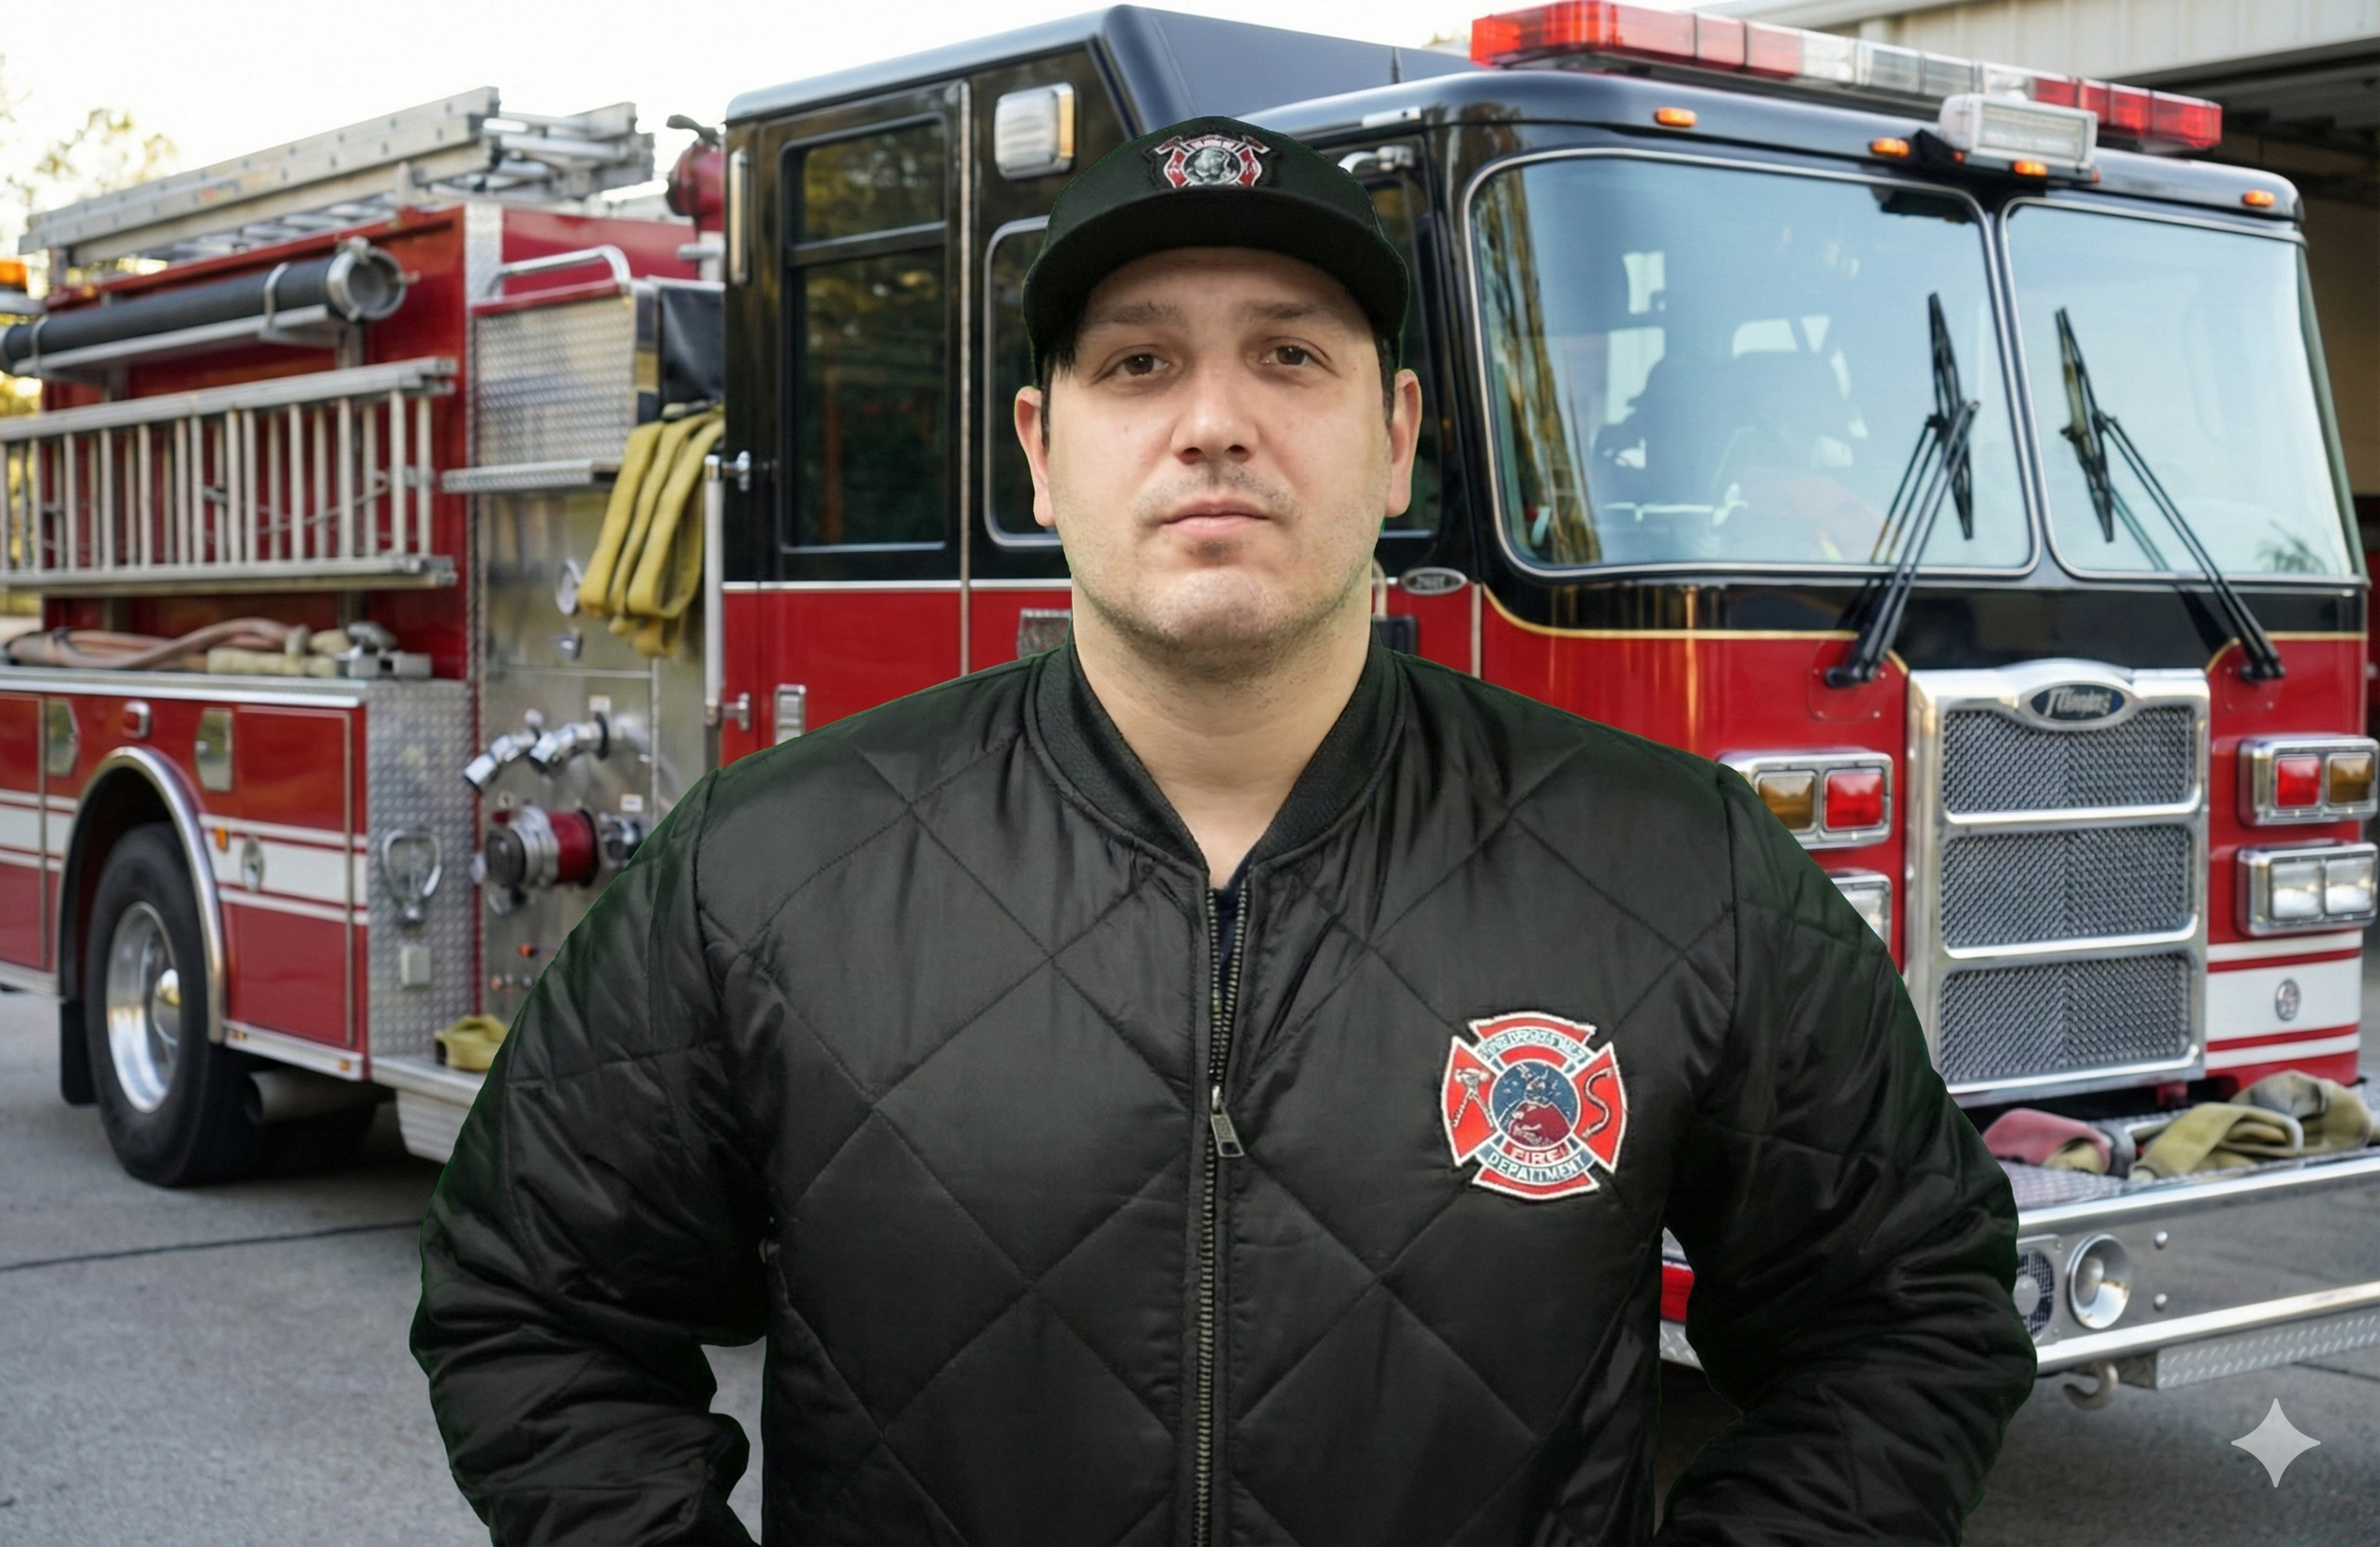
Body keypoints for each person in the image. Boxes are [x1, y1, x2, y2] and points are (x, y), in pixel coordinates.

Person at [414, 115, 2033, 1544]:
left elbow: (1909, 1312)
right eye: (1137, 364)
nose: (1212, 423)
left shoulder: (1680, 868)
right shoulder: (764, 869)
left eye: (1289, 356)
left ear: (1397, 441)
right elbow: (532, 1305)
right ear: (1044, 453)